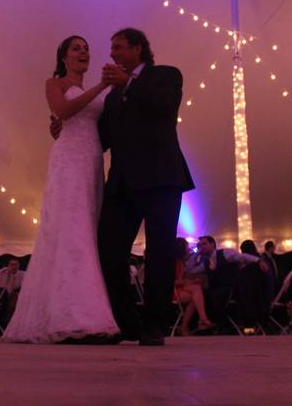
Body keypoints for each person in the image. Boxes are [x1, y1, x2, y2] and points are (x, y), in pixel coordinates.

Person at [4, 35, 121, 343]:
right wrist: (101, 87)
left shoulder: (97, 93)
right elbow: (64, 110)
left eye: (86, 48)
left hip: (92, 159)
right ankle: (77, 318)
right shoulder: (54, 83)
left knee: (89, 230)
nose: (83, 52)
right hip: (68, 159)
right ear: (64, 58)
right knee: (72, 230)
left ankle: (80, 311)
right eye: (75, 48)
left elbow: (101, 126)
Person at [96, 28, 195, 346]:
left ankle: (155, 324)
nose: (113, 53)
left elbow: (166, 107)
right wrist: (67, 126)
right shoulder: (111, 96)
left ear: (138, 49)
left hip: (161, 178)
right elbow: (102, 138)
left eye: (119, 47)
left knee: (160, 251)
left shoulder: (165, 75)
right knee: (109, 251)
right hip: (122, 183)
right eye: (111, 48)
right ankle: (127, 321)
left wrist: (130, 84)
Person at [194, 235, 263, 333]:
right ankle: (214, 325)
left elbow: (242, 256)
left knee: (214, 296)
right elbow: (191, 270)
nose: (202, 247)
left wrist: (258, 260)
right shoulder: (205, 262)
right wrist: (195, 255)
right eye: (200, 245)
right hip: (216, 290)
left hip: (231, 288)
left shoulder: (225, 253)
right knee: (203, 296)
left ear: (212, 244)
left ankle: (224, 326)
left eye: (204, 244)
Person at [174, 238, 212, 335]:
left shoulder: (182, 262)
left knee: (195, 295)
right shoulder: (173, 263)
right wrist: (186, 281)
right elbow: (170, 282)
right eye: (187, 247)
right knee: (197, 290)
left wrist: (190, 280)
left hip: (181, 288)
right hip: (173, 291)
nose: (189, 249)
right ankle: (202, 319)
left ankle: (187, 325)